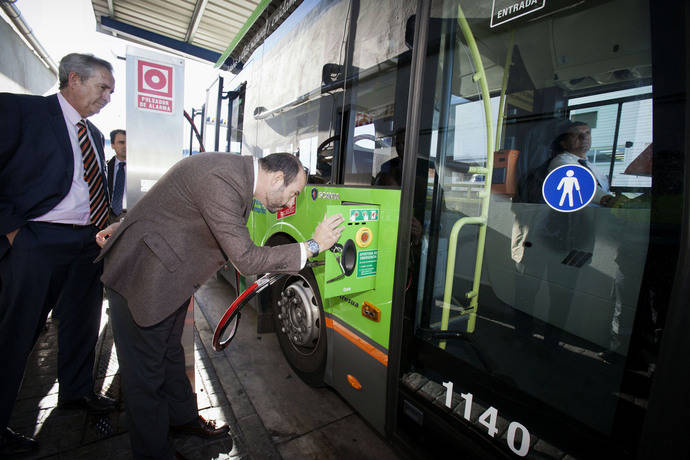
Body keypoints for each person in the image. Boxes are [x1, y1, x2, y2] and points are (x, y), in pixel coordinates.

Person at [94, 152, 344, 460]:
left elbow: (167, 201)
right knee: (145, 379)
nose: (289, 203)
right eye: (293, 193)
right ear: (278, 178)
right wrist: (313, 245)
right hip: (145, 281)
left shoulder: (235, 174)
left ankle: (182, 420)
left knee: (172, 356)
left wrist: (122, 224)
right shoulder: (223, 179)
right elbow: (247, 258)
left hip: (167, 277)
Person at [0, 53, 117, 456]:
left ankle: (76, 392)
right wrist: (14, 230)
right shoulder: (20, 111)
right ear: (73, 79)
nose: (107, 98)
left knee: (83, 322)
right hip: (36, 240)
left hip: (86, 241)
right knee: (17, 334)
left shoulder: (96, 135)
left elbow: (88, 187)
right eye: (102, 88)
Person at [107, 129, 127, 221]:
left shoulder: (140, 169)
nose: (125, 146)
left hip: (130, 214)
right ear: (112, 145)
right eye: (121, 142)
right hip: (108, 215)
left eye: (128, 142)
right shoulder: (105, 167)